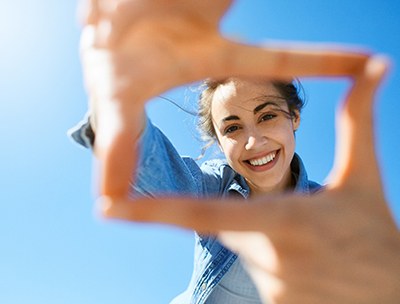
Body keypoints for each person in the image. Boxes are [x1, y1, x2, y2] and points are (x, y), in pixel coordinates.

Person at [73, 0, 400, 303]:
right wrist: (116, 100)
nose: (253, 143)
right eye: (232, 128)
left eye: (267, 116)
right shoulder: (213, 190)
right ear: (218, 141)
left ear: (295, 117)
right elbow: (150, 163)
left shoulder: (331, 214)